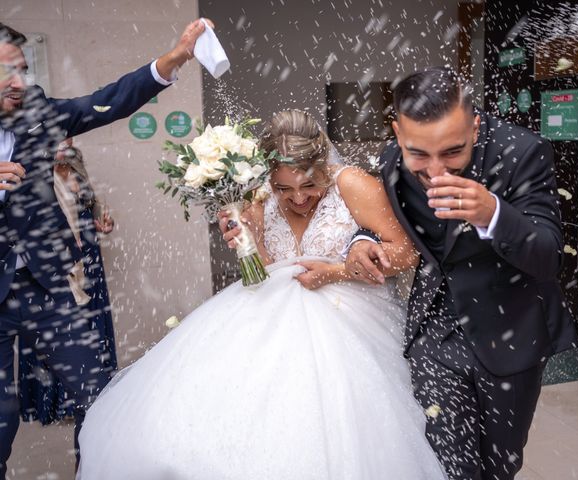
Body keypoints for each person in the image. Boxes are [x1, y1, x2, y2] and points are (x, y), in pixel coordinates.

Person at [76, 109, 447, 480]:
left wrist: (338, 270)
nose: (298, 198)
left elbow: (406, 251)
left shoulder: (354, 185)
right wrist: (247, 243)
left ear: (323, 165)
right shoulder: (256, 195)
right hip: (270, 316)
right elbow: (262, 274)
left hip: (351, 319)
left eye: (309, 185)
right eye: (284, 189)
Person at [0, 19, 212, 477]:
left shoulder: (34, 110)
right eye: (8, 72)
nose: (20, 83)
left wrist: (172, 59)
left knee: (98, 395)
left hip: (44, 285)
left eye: (22, 69)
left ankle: (94, 471)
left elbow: (103, 103)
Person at [345, 67, 578, 479]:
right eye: (419, 154)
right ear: (399, 133)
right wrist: (362, 241)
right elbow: (384, 222)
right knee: (450, 462)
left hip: (511, 328)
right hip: (434, 331)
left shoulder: (523, 151)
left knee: (499, 465)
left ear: (473, 125)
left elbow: (549, 257)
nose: (436, 171)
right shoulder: (390, 161)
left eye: (453, 152)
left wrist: (495, 214)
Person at [18, 141, 118, 425]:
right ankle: (62, 403)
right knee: (63, 337)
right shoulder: (33, 172)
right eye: (60, 140)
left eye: (69, 139)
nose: (65, 144)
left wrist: (102, 225)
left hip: (89, 263)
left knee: (93, 336)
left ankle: (97, 401)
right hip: (58, 268)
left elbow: (89, 211)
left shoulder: (77, 169)